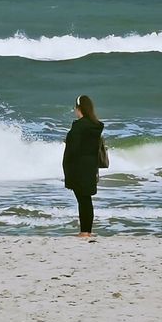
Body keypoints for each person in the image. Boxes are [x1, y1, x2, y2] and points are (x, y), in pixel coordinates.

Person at [63, 94, 105, 237]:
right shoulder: (96, 126)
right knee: (86, 199)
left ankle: (84, 232)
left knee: (82, 200)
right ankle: (87, 231)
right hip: (91, 167)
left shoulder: (79, 126)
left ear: (79, 108)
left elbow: (73, 149)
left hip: (78, 167)